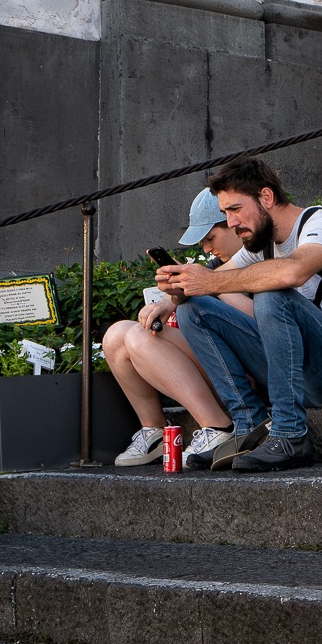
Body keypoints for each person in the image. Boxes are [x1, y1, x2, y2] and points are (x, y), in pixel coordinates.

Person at [156, 157, 322, 472]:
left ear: (266, 197)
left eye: (236, 209)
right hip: (306, 373)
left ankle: (290, 434)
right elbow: (213, 281)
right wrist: (173, 295)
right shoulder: (261, 245)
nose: (232, 222)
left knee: (273, 293)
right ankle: (250, 427)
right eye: (225, 213)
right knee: (194, 309)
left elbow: (293, 272)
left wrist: (209, 282)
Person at [100, 188, 246, 467]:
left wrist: (208, 285)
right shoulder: (214, 265)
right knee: (117, 334)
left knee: (141, 338)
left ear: (234, 223)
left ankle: (218, 426)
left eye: (210, 238)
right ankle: (154, 432)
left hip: (247, 370)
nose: (206, 248)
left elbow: (256, 322)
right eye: (202, 242)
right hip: (217, 360)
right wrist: (172, 298)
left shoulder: (262, 257)